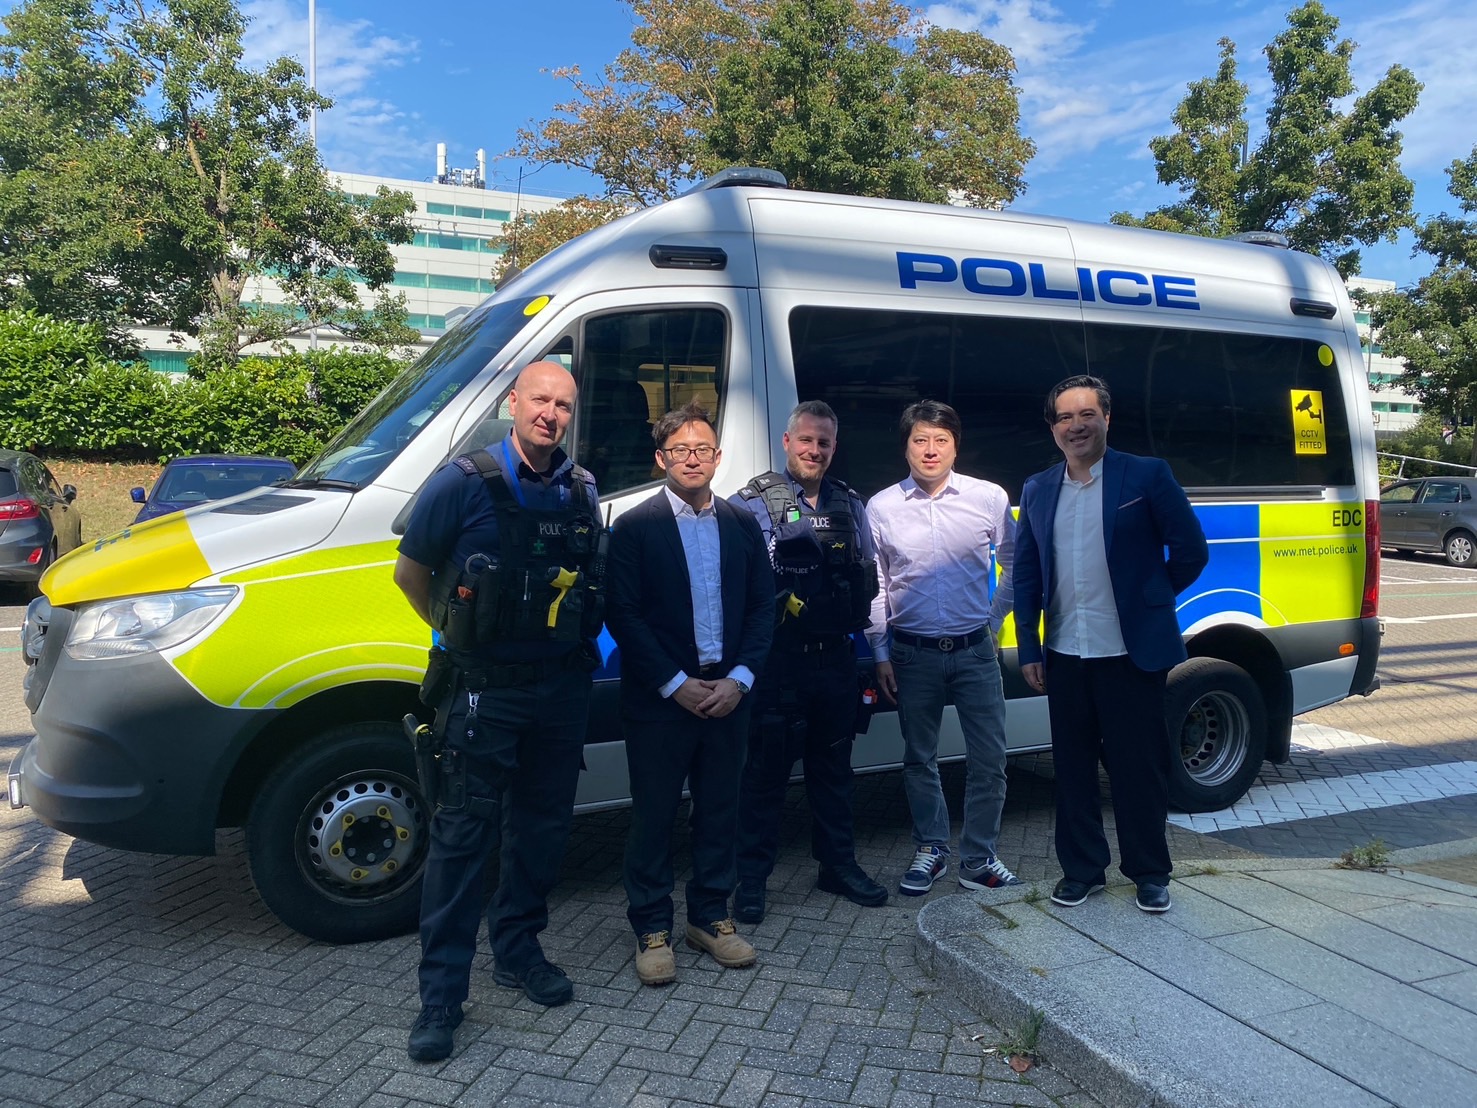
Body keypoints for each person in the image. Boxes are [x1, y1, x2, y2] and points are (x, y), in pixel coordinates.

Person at [394, 361, 603, 1062]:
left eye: (563, 405)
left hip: (558, 691)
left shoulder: (581, 488)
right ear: (513, 402)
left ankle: (517, 951)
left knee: (540, 832)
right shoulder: (462, 482)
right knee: (461, 840)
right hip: (483, 692)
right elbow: (410, 572)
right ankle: (440, 997)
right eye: (540, 400)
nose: (551, 414)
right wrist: (455, 634)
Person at [1013, 374, 1208, 915]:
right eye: (1065, 417)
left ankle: (1149, 872)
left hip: (1130, 653)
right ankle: (1082, 871)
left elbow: (1190, 550)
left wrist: (1151, 598)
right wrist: (1029, 647)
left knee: (1137, 768)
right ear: (1052, 427)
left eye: (1086, 414)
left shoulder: (1146, 475)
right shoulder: (1038, 488)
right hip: (1065, 654)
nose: (1075, 426)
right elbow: (1026, 572)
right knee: (1072, 769)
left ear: (1106, 419)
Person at [605, 401, 774, 986]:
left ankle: (709, 918)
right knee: (653, 815)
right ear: (661, 459)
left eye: (702, 448)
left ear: (718, 457)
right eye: (680, 450)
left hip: (728, 694)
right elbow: (624, 614)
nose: (693, 458)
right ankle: (652, 927)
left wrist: (740, 678)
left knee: (720, 810)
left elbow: (763, 606)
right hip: (662, 700)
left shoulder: (741, 523)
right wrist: (674, 684)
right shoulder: (634, 527)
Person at [730, 401, 887, 923]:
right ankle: (751, 880)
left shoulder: (851, 504)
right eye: (806, 440)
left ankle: (837, 867)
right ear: (787, 442)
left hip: (836, 661)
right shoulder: (751, 504)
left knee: (834, 771)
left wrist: (877, 650)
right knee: (764, 777)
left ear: (834, 447)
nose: (814, 450)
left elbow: (868, 576)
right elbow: (734, 585)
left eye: (824, 442)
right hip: (779, 664)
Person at [866, 400, 1020, 897]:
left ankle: (979, 859)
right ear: (906, 446)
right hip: (912, 655)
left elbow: (1017, 562)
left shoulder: (988, 498)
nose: (930, 450)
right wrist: (880, 651)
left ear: (955, 446)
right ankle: (931, 848)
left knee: (990, 758)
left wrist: (994, 619)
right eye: (920, 440)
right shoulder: (881, 507)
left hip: (975, 651)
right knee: (919, 757)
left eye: (941, 440)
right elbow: (877, 584)